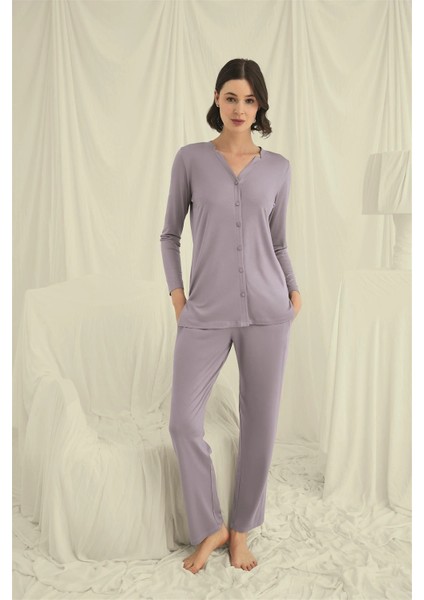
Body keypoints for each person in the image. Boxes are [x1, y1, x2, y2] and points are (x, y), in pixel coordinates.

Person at [160, 58, 302, 574]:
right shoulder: (191, 159)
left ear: (259, 105)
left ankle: (240, 530)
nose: (239, 108)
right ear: (216, 100)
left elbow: (278, 242)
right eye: (230, 97)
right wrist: (179, 298)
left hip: (268, 310)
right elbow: (169, 235)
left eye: (249, 99)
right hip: (204, 311)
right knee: (183, 422)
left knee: (260, 424)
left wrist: (293, 290)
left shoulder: (279, 168)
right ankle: (210, 527)